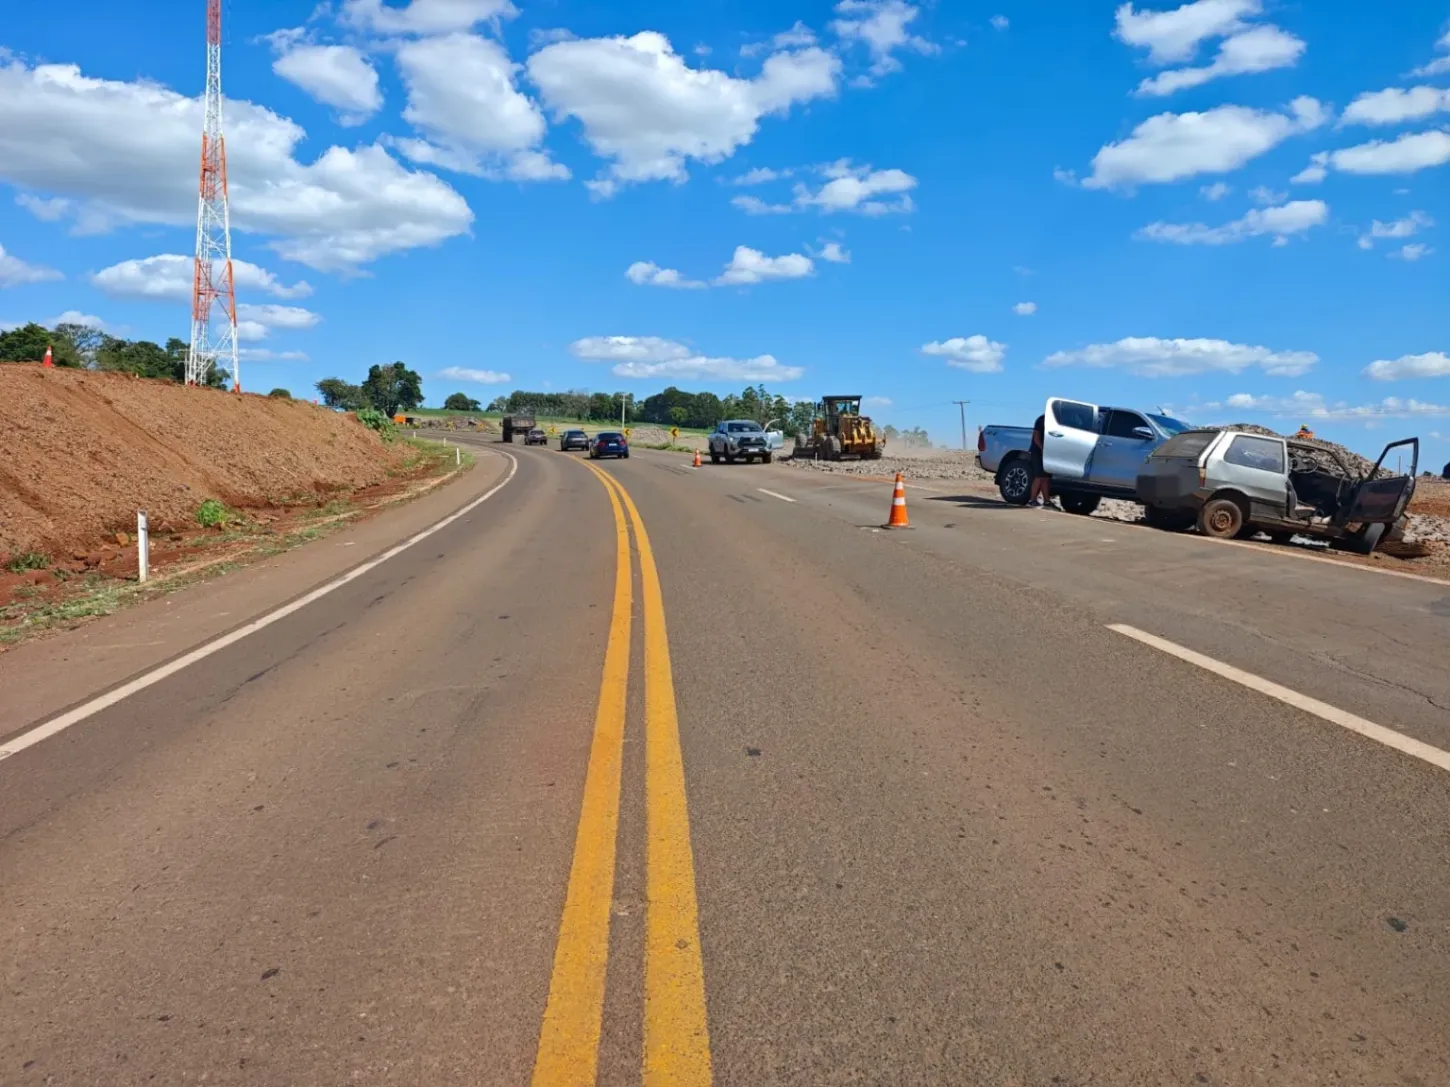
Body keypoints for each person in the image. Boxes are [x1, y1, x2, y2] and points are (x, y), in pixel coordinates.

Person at [1029, 413, 1055, 509]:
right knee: (1039, 476)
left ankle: (1047, 501)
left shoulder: (1053, 422)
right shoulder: (1042, 420)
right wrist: (1042, 449)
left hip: (1047, 453)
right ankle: (1032, 500)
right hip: (1038, 452)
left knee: (1046, 477)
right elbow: (1036, 437)